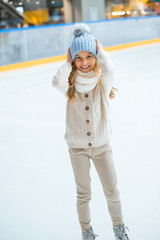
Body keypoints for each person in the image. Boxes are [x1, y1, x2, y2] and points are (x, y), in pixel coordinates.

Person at [52, 23, 129, 240]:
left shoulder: (103, 82)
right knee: (83, 193)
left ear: (95, 57)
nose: (84, 62)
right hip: (77, 148)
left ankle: (119, 229)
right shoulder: (70, 84)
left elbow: (111, 69)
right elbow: (56, 82)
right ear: (73, 60)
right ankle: (87, 232)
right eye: (78, 57)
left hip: (101, 146)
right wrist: (67, 63)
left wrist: (100, 50)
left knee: (112, 191)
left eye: (89, 56)